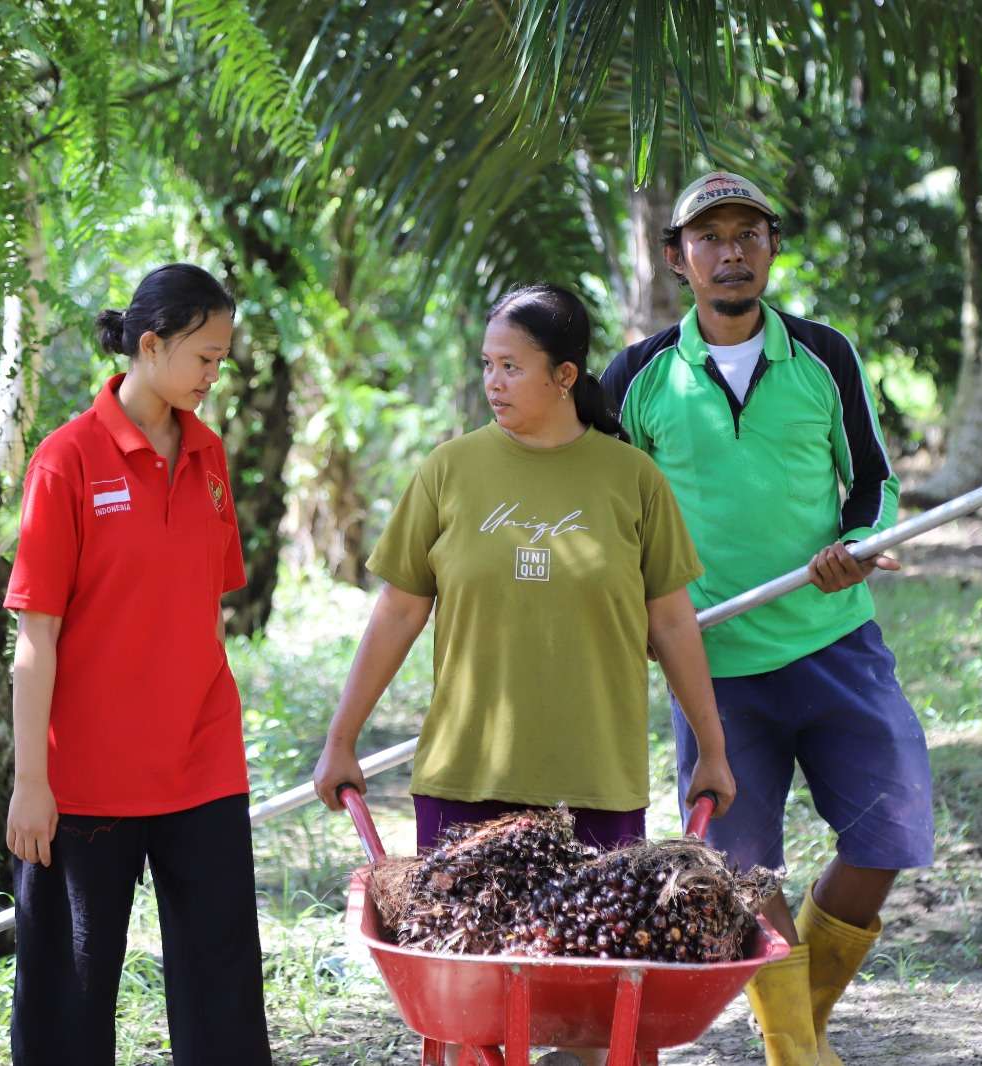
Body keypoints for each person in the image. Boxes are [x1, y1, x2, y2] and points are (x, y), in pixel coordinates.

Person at [601, 173, 934, 1066]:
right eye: (710, 237)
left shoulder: (825, 355)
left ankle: (800, 1023)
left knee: (889, 829)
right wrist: (634, 605)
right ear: (678, 258)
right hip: (712, 663)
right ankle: (795, 1049)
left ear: (772, 247)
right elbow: (609, 507)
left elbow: (871, 481)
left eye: (749, 232)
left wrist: (858, 543)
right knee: (744, 873)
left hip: (834, 640)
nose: (732, 250)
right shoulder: (637, 377)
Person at [311, 281, 735, 853]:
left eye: (511, 366)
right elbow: (398, 612)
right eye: (487, 364)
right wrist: (341, 740)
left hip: (596, 786)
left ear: (564, 376)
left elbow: (673, 623)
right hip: (464, 784)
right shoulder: (448, 470)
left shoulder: (632, 479)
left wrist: (712, 752)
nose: (493, 381)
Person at [3, 263, 272, 1065]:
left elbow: (200, 606)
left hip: (202, 764)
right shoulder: (66, 460)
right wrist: (29, 782)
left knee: (223, 995)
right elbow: (35, 637)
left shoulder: (210, 455)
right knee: (68, 1000)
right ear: (148, 346)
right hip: (84, 781)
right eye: (204, 357)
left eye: (223, 360)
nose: (214, 376)